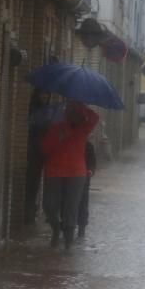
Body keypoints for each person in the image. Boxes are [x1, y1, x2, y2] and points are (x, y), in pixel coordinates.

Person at [41, 101, 99, 250]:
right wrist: (58, 138)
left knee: (71, 207)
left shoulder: (83, 129)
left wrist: (82, 106)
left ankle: (68, 240)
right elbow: (45, 149)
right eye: (72, 113)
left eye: (77, 114)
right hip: (54, 172)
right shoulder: (56, 127)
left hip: (76, 173)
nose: (75, 116)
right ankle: (55, 228)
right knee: (50, 205)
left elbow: (95, 118)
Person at [25, 88, 62, 225]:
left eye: (47, 93)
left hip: (47, 152)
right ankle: (28, 213)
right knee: (31, 183)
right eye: (43, 93)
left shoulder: (50, 111)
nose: (45, 96)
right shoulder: (32, 109)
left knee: (50, 183)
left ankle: (49, 212)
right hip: (34, 152)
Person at [77, 140, 97, 239]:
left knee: (83, 202)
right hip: (71, 177)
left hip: (84, 178)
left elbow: (92, 162)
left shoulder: (88, 145)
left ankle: (81, 227)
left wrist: (90, 170)